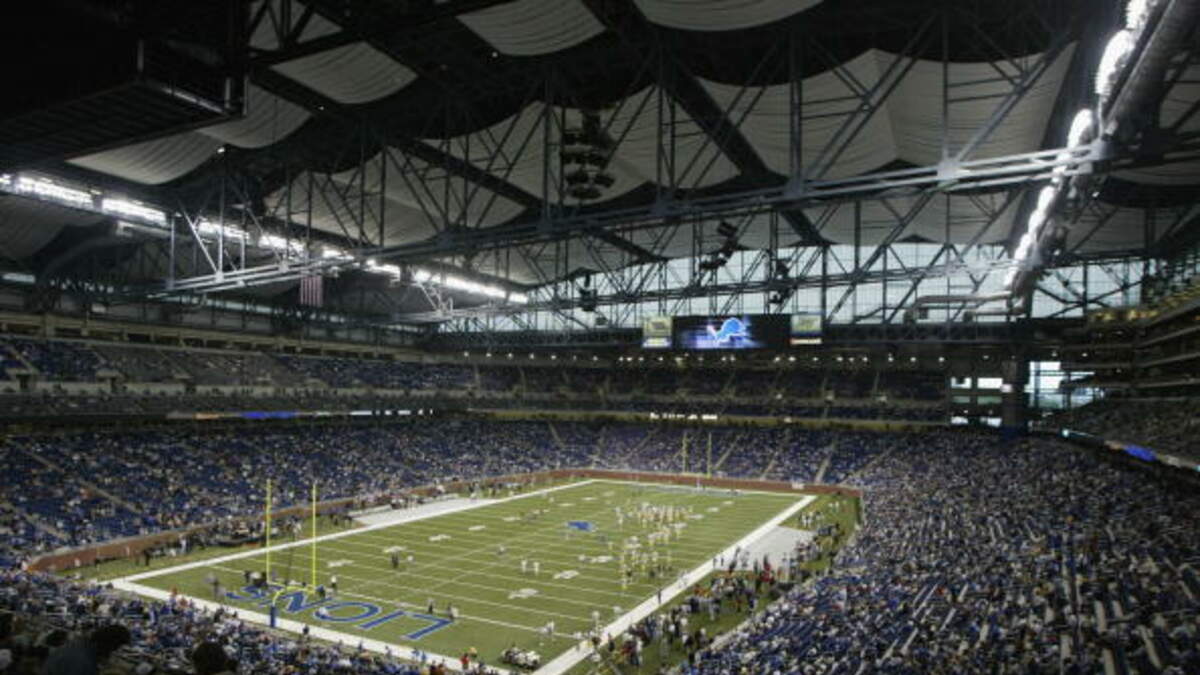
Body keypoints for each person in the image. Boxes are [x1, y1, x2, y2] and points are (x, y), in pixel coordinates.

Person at [42, 624, 131, 675]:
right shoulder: (82, 661)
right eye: (115, 647)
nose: (113, 651)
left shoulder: (77, 646)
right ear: (107, 643)